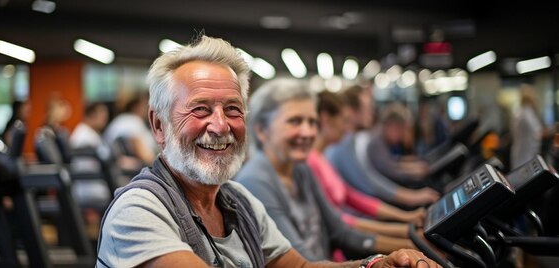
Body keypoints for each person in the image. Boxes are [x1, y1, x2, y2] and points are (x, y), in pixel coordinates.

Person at [96, 35, 439, 268]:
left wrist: (375, 264)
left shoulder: (239, 201)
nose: (220, 125)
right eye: (199, 109)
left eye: (232, 109)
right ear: (158, 126)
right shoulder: (138, 211)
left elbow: (300, 266)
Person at [236, 78, 419, 262]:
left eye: (312, 122)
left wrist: (414, 245)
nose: (308, 132)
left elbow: (341, 232)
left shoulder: (301, 169)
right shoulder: (255, 181)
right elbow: (303, 262)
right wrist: (376, 263)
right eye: (295, 121)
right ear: (261, 130)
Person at [309, 91, 426, 235]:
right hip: (350, 231)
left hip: (353, 226)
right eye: (344, 121)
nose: (346, 128)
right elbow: (342, 218)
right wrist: (405, 229)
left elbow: (351, 196)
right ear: (326, 119)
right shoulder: (322, 156)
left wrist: (406, 218)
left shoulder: (324, 156)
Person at [326, 86, 439, 209]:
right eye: (368, 107)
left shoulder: (350, 140)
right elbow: (369, 182)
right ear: (352, 111)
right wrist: (412, 197)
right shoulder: (343, 143)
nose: (372, 112)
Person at [366, 102, 430, 186]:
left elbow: (390, 161)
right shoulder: (376, 141)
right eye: (400, 131)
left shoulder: (379, 136)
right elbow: (390, 171)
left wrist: (409, 163)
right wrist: (414, 171)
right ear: (393, 126)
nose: (401, 137)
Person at [103, 89, 157, 165]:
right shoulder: (131, 121)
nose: (149, 109)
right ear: (136, 106)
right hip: (132, 171)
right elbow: (143, 154)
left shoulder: (125, 119)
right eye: (146, 105)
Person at [510, 84, 544, 169]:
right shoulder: (526, 114)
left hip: (520, 151)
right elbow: (537, 132)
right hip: (526, 154)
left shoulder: (519, 112)